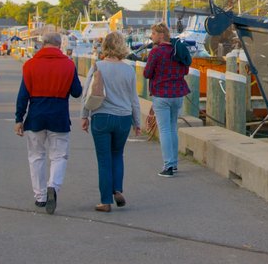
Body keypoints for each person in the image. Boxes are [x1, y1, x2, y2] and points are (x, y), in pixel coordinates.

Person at [15, 31, 82, 214]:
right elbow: (77, 92)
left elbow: (23, 95)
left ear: (42, 44)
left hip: (36, 114)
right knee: (59, 155)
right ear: (59, 45)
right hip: (59, 114)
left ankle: (40, 196)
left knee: (36, 156)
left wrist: (18, 119)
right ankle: (54, 185)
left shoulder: (30, 65)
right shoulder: (68, 65)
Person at [80, 31, 141, 212]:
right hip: (123, 118)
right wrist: (137, 122)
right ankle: (117, 189)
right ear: (122, 46)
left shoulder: (98, 66)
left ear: (105, 46)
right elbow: (134, 99)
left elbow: (88, 94)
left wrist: (84, 116)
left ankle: (105, 201)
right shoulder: (129, 70)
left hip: (102, 117)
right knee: (117, 155)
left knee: (104, 159)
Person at [142, 22, 189, 177]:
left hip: (162, 95)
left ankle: (168, 166)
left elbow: (147, 73)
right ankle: (174, 163)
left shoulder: (156, 52)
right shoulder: (177, 50)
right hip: (177, 94)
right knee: (173, 128)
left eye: (154, 33)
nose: (151, 36)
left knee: (164, 130)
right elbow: (185, 69)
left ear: (161, 35)